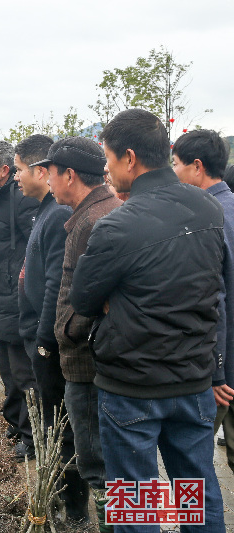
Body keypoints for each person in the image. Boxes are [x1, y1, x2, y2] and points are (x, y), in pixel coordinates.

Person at [71, 108, 225, 533]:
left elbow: (83, 298)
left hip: (132, 385)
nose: (106, 168)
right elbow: (219, 288)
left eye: (108, 157)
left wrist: (113, 300)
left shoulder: (119, 225)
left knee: (136, 499)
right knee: (197, 488)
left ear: (130, 158)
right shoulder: (208, 209)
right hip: (193, 379)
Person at [46, 136, 120, 532]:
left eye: (51, 172)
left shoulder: (95, 221)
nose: (47, 180)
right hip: (87, 360)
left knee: (100, 466)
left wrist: (69, 331)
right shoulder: (89, 215)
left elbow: (95, 299)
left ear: (69, 174)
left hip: (90, 365)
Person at [16, 134, 87, 516]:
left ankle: (74, 509)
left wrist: (44, 341)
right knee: (53, 422)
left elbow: (56, 287)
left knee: (62, 426)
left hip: (50, 343)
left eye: (20, 169)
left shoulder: (58, 214)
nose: (16, 178)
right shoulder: (44, 212)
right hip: (38, 336)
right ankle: (61, 496)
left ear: (43, 172)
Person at [172, 129, 234, 473]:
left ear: (197, 167)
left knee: (192, 466)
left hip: (219, 370)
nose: (174, 172)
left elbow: (215, 299)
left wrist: (216, 371)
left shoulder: (208, 218)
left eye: (176, 164)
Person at [0, 140, 39, 462]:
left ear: (4, 170)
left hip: (15, 298)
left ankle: (32, 438)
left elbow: (31, 250)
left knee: (22, 371)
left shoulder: (22, 201)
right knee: (7, 369)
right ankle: (15, 424)